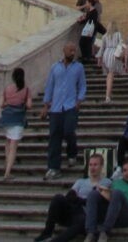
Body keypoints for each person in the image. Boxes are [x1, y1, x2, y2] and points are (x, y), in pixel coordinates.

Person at [33, 151, 112, 242]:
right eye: (90, 165)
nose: (92, 167)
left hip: (87, 215)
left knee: (83, 220)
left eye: (95, 165)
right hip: (73, 210)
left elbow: (104, 200)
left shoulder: (107, 182)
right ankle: (47, 233)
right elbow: (70, 196)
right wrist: (80, 200)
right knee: (58, 198)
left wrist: (80, 200)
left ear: (101, 166)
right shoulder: (81, 181)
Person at [41, 42, 87, 180]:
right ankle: (53, 167)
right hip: (56, 107)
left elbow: (82, 85)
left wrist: (79, 101)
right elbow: (50, 86)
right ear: (64, 50)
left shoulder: (79, 67)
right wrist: (45, 106)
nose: (73, 53)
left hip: (70, 106)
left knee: (68, 131)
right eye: (70, 50)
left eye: (74, 50)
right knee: (54, 137)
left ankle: (72, 152)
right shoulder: (55, 67)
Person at [84, 156, 128, 242]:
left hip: (127, 215)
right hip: (112, 214)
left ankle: (105, 232)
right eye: (124, 170)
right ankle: (91, 233)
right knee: (93, 194)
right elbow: (110, 200)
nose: (126, 173)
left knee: (117, 193)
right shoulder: (116, 183)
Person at [0, 67, 32, 180]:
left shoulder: (7, 88)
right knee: (13, 146)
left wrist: (10, 101)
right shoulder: (26, 89)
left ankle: (6, 165)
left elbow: (1, 104)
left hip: (7, 118)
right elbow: (29, 105)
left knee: (8, 142)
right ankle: (7, 172)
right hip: (18, 119)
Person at [98, 20, 125, 103]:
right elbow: (121, 44)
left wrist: (99, 58)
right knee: (111, 74)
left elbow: (102, 48)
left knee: (109, 74)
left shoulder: (105, 36)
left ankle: (108, 94)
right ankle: (108, 96)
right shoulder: (118, 34)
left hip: (106, 54)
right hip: (114, 54)